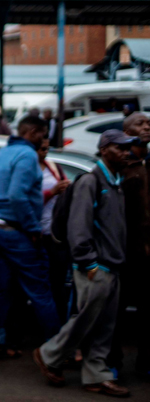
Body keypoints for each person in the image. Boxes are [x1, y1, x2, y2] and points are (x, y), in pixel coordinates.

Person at [34, 129, 137, 397]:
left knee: (104, 326)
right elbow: (78, 228)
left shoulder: (115, 182)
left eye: (127, 148)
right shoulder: (91, 182)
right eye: (119, 148)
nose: (126, 152)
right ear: (104, 150)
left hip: (112, 266)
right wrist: (89, 263)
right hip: (96, 267)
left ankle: (96, 376)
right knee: (85, 321)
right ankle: (49, 354)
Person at [0, 115, 61, 358]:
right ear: (34, 132)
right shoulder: (27, 155)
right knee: (41, 291)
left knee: (2, 289)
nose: (44, 140)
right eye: (43, 134)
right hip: (17, 231)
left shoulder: (0, 154)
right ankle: (58, 350)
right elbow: (17, 196)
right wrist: (33, 229)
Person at [107, 112, 150, 378]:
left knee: (147, 312)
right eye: (140, 124)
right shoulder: (121, 168)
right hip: (123, 253)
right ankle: (113, 362)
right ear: (127, 132)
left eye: (148, 124)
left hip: (148, 255)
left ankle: (145, 362)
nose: (146, 127)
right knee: (116, 312)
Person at [37, 138, 72, 322]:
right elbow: (25, 201)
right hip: (36, 235)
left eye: (47, 149)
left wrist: (65, 188)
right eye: (41, 149)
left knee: (57, 283)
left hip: (55, 234)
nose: (44, 153)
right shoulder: (27, 169)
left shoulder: (53, 166)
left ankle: (58, 325)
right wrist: (51, 192)